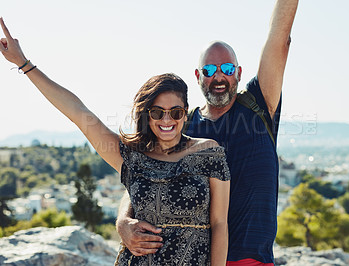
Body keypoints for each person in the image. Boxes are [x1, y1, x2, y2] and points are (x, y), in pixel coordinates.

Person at [0, 18, 231, 266]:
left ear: (185, 112)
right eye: (157, 112)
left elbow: (219, 224)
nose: (167, 119)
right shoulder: (132, 157)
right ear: (147, 115)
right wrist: (23, 63)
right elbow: (78, 112)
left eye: (175, 112)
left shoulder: (209, 153)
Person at [115, 0, 299, 265]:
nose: (219, 77)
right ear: (198, 76)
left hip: (251, 258)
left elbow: (280, 38)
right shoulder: (181, 124)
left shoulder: (260, 105)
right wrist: (123, 221)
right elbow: (141, 172)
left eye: (226, 69)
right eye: (210, 70)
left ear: (238, 73)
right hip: (194, 258)